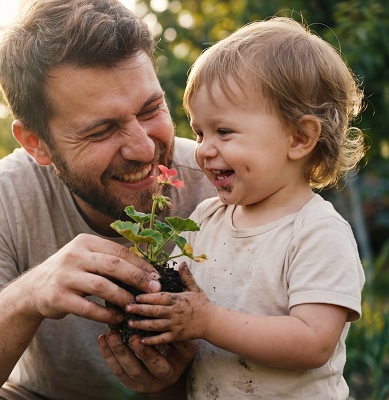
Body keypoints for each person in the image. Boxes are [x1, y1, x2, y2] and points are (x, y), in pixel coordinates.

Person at [0, 0, 215, 399]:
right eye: (101, 130)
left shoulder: (222, 181)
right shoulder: (8, 193)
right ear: (36, 143)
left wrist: (175, 384)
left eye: (151, 108)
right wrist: (29, 293)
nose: (142, 149)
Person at [124, 17, 366, 399]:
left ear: (299, 138)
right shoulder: (204, 219)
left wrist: (207, 321)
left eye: (224, 131)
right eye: (199, 131)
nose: (203, 148)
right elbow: (175, 296)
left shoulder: (316, 231)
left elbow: (313, 342)